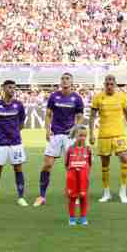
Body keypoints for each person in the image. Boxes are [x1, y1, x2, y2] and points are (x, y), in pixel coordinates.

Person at [88, 74, 127, 203]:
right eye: (107, 83)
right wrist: (91, 133)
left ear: (115, 84)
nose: (109, 85)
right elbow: (92, 117)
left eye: (111, 83)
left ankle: (123, 191)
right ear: (104, 84)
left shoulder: (121, 97)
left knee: (125, 158)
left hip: (119, 134)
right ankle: (106, 193)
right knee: (105, 164)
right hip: (104, 135)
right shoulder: (98, 98)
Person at [37, 73, 84, 206]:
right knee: (47, 165)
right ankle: (42, 196)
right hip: (55, 135)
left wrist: (75, 127)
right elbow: (48, 115)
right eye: (63, 79)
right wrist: (47, 130)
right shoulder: (54, 96)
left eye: (67, 79)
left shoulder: (77, 98)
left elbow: (80, 116)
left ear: (72, 82)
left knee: (71, 166)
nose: (64, 81)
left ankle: (73, 194)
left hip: (70, 136)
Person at [0, 80, 27, 207]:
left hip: (15, 142)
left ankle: (21, 197)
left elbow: (21, 123)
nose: (12, 90)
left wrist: (14, 132)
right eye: (9, 87)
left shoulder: (19, 105)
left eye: (14, 88)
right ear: (3, 89)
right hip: (1, 142)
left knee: (18, 168)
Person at [65, 125, 92, 226]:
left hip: (83, 177)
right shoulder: (70, 149)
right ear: (75, 135)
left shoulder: (88, 149)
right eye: (80, 135)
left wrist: (85, 175)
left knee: (83, 197)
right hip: (72, 177)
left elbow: (89, 164)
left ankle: (83, 217)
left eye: (85, 136)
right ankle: (72, 218)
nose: (83, 138)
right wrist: (70, 176)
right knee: (72, 197)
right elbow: (66, 164)